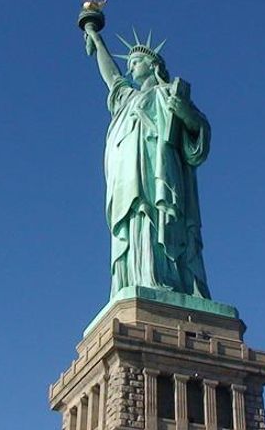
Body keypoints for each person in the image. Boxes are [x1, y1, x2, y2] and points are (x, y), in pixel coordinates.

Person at [84, 26, 212, 299]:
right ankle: (140, 278)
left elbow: (197, 137)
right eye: (129, 64)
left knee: (160, 220)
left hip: (161, 175)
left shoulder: (169, 94)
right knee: (135, 224)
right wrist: (96, 38)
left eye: (136, 62)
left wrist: (184, 112)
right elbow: (112, 77)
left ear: (153, 64)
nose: (130, 69)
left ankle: (169, 282)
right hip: (129, 180)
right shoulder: (127, 99)